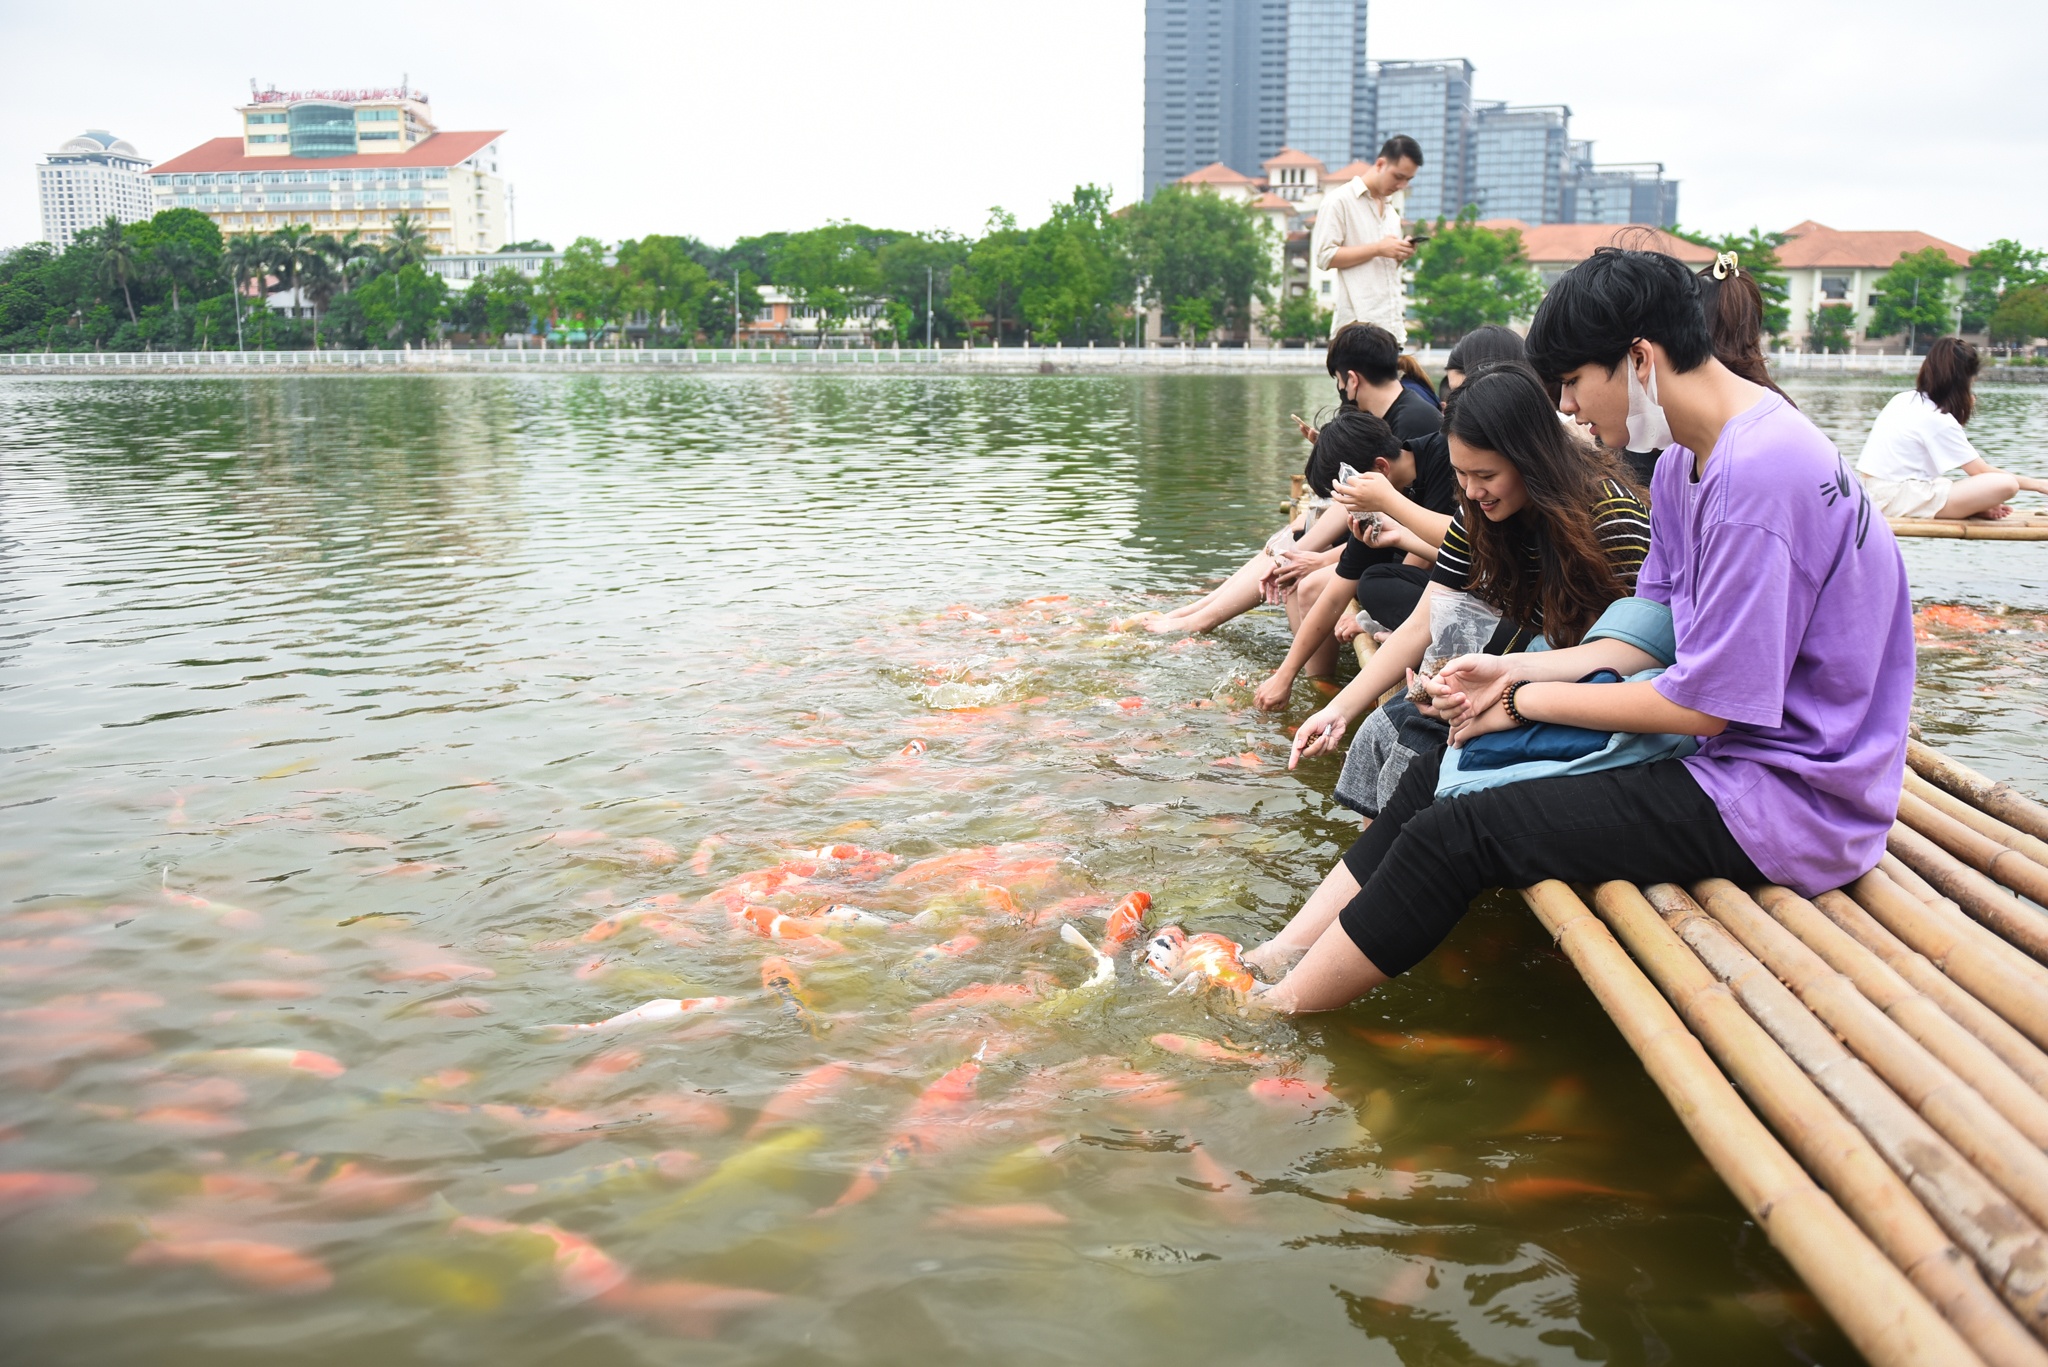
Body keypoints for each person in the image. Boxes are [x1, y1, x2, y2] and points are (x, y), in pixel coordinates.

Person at [1248, 248, 1914, 1014]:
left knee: (1460, 834)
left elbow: (1706, 705)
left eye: (1571, 382)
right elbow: (1645, 633)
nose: (1565, 408)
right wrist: (1516, 676)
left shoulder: (1759, 477)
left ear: (1637, 359)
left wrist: (1528, 703)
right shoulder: (1684, 465)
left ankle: (1273, 1012)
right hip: (1731, 755)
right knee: (1441, 764)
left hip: (1787, 796)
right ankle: (1276, 955)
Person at [1261, 362, 1648, 829]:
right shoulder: (1479, 512)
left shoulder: (1608, 514)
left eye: (1485, 474)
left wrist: (1506, 687)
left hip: (1595, 689)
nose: (1471, 491)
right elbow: (1425, 621)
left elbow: (1642, 649)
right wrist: (1339, 710)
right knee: (1384, 727)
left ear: (1531, 457)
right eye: (1461, 474)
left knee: (1421, 751)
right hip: (1524, 667)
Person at [1145, 324, 1440, 635]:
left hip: (1400, 552)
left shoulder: (1412, 421)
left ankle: (1201, 620)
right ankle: (1197, 612)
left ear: (1351, 380)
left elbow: (1401, 521)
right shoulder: (1394, 414)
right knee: (1286, 546)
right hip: (1381, 538)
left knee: (1295, 560)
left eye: (1339, 382)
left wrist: (1314, 556)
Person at [1250, 408, 1451, 708]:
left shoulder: (1443, 461)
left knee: (1373, 586)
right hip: (1432, 589)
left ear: (1380, 469)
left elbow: (1461, 552)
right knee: (1371, 582)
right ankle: (1320, 687)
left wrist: (1370, 618)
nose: (1346, 508)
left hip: (1476, 596)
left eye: (1347, 498)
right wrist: (1285, 675)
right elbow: (1334, 596)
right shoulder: (1369, 506)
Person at [1856, 337, 2048, 520]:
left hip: (1873, 492)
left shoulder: (1903, 399)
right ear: (1965, 380)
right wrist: (2040, 485)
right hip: (1894, 499)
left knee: (1952, 485)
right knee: (2006, 484)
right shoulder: (1937, 418)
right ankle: (1972, 508)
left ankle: (1975, 508)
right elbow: (1981, 472)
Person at [1311, 136, 1423, 339]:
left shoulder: (1392, 213)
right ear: (1380, 164)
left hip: (1391, 329)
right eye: (1398, 176)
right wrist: (1378, 248)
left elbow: (1380, 268)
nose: (1402, 185)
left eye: (1408, 179)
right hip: (1357, 330)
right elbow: (1324, 256)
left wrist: (1398, 254)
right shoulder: (1339, 201)